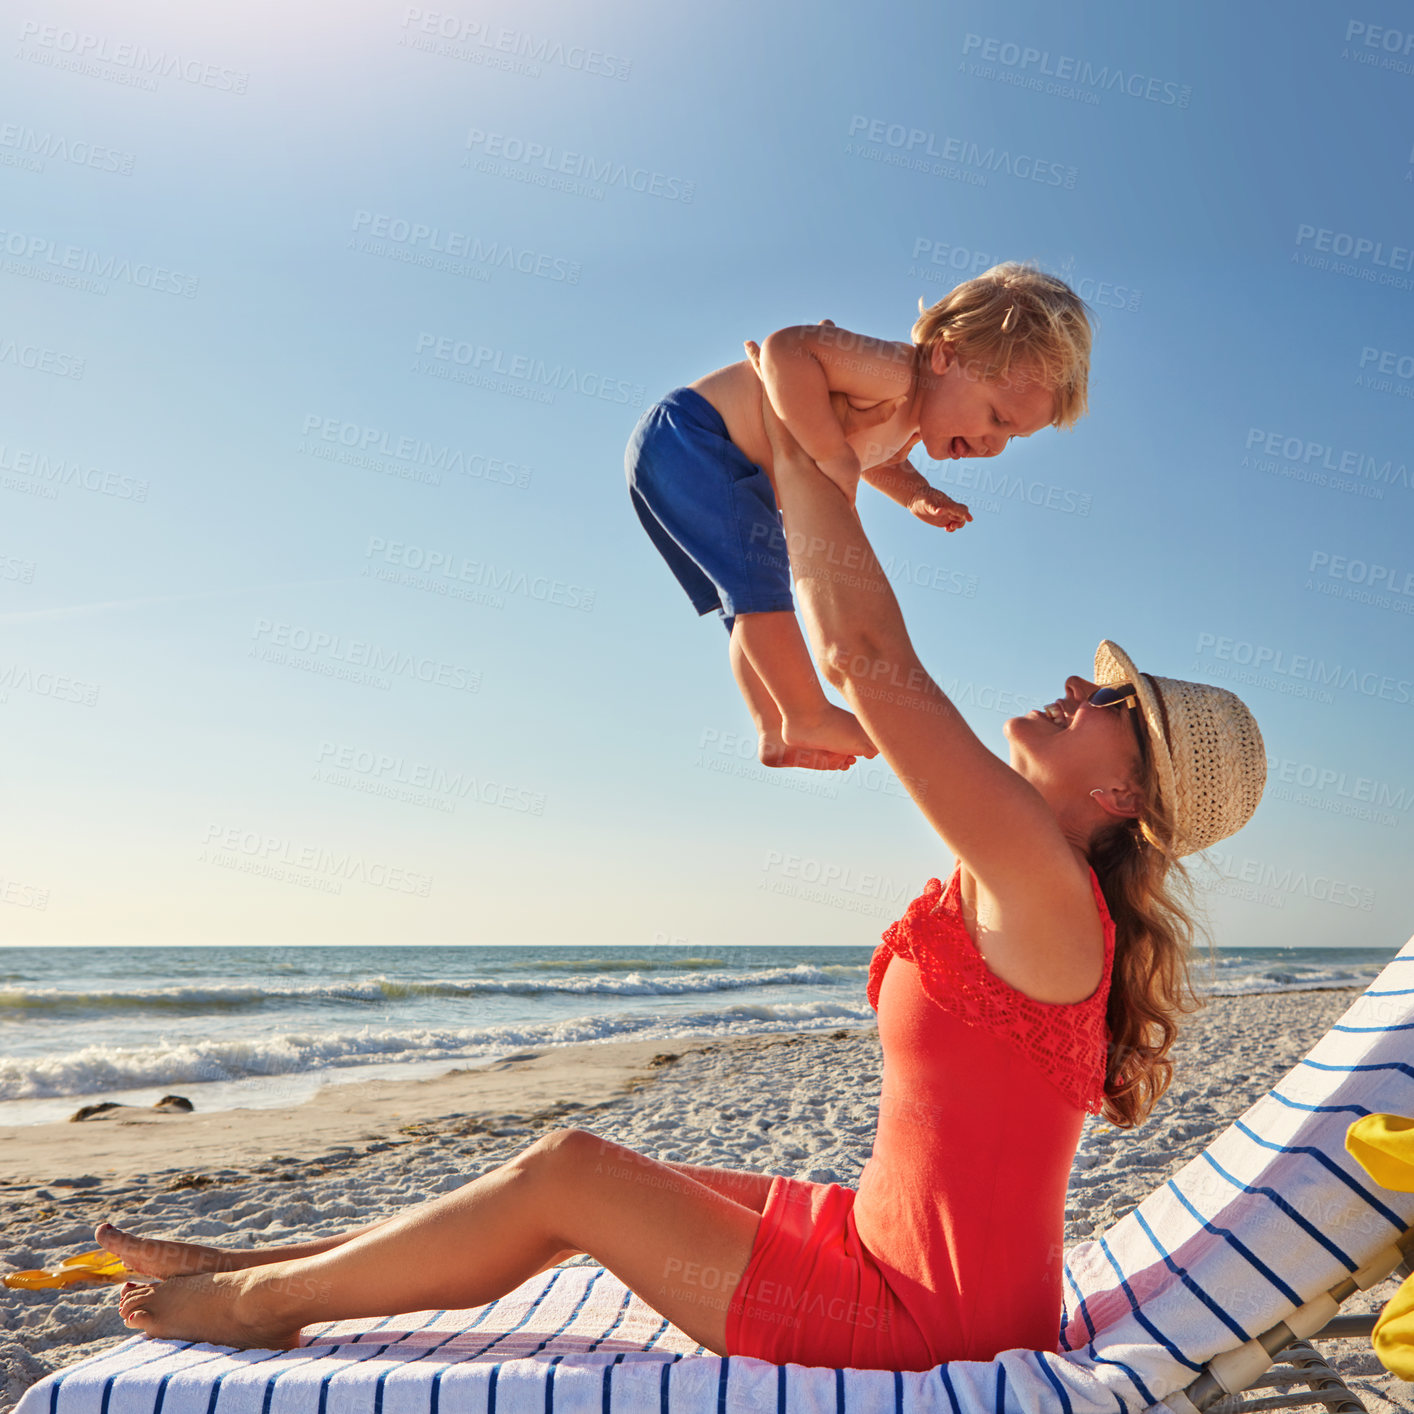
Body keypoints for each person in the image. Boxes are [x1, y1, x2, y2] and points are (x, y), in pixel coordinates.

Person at [99, 370, 1266, 1369]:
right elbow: (859, 653)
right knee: (605, 1182)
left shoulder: (1038, 874)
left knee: (570, 1173)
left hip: (920, 1320)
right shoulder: (1022, 869)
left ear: (1124, 798)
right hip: (877, 1242)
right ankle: (255, 1264)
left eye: (1112, 704)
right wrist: (823, 460)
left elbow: (865, 655)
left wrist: (806, 438)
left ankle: (256, 1305)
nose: (1078, 686)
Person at [625, 262, 1092, 771]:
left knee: (750, 604)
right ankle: (805, 712)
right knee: (761, 592)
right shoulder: (893, 370)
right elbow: (787, 349)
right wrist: (831, 451)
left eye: (1012, 437)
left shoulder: (904, 422)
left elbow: (879, 460)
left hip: (699, 461)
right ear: (945, 355)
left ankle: (774, 729)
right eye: (996, 417)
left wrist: (918, 494)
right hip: (695, 437)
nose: (994, 445)